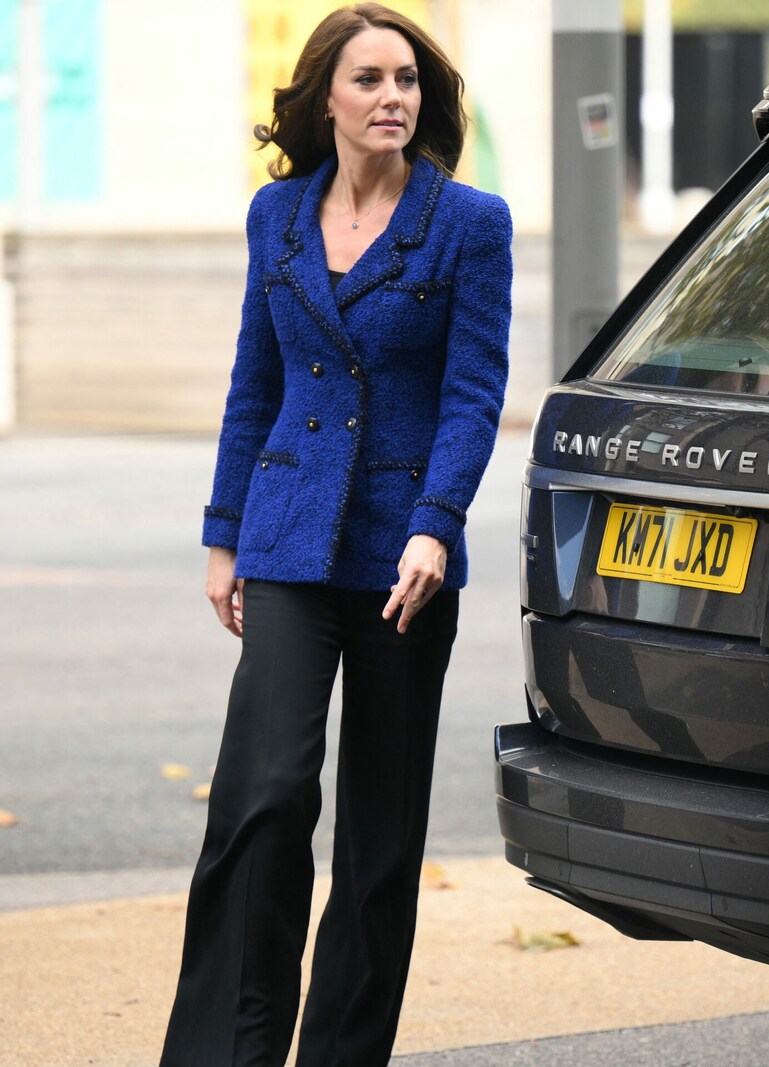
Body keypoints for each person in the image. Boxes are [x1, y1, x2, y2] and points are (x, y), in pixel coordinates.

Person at [159, 4, 512, 1065]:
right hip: (283, 537)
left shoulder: (468, 222)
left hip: (405, 557)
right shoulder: (277, 214)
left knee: (376, 834)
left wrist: (434, 527)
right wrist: (223, 532)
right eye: (369, 80)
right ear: (326, 97)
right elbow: (253, 378)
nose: (392, 98)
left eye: (406, 79)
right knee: (262, 796)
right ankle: (228, 1047)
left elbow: (471, 391)